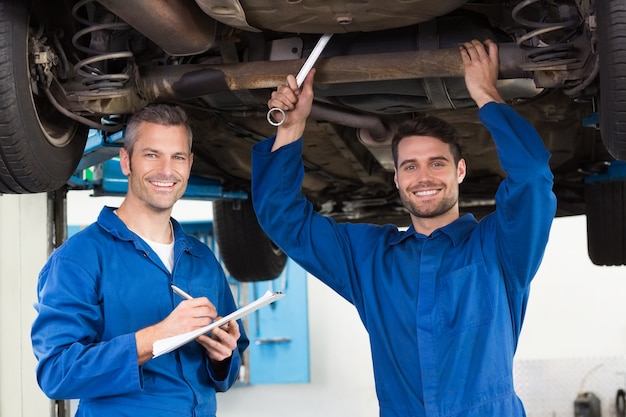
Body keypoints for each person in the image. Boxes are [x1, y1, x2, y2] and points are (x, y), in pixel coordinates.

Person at [252, 39, 556, 416]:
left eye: (437, 163)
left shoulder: (500, 248)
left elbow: (531, 178)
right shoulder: (369, 260)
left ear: (460, 171)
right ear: (396, 178)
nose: (423, 176)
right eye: (410, 166)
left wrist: (486, 95)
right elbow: (283, 219)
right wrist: (292, 128)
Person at [31, 104, 249, 417]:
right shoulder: (79, 259)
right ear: (125, 161)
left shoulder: (203, 261)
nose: (166, 170)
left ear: (189, 165)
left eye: (177, 157)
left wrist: (223, 356)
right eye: (151, 154)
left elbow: (229, 365)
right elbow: (57, 372)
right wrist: (157, 336)